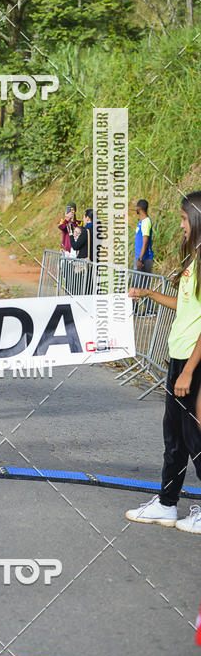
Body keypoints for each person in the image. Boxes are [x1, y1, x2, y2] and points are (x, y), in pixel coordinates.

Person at [125, 191, 201, 534]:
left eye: (185, 219)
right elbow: (184, 309)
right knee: (174, 435)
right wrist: (149, 294)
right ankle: (167, 504)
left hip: (193, 362)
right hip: (179, 356)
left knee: (193, 436)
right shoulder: (194, 262)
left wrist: (187, 370)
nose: (181, 225)